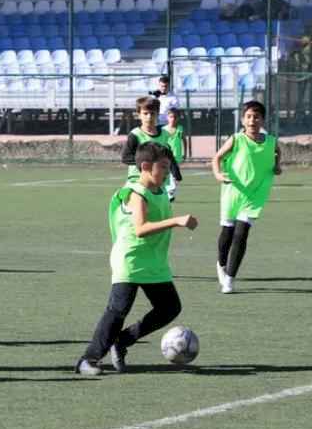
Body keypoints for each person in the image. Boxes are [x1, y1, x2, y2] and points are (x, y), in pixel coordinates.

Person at [76, 142, 198, 375]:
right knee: (117, 310)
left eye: (168, 167)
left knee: (169, 308)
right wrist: (177, 221)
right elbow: (141, 228)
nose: (167, 172)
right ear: (145, 167)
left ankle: (122, 341)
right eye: (163, 167)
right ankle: (88, 360)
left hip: (153, 261)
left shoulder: (159, 190)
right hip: (130, 259)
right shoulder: (136, 193)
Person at [211, 100, 282, 294]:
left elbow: (277, 152)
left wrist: (277, 165)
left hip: (255, 195)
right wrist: (218, 174)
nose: (252, 121)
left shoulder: (271, 141)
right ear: (243, 120)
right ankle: (221, 263)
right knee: (227, 233)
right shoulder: (236, 139)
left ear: (263, 120)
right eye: (249, 117)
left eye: (256, 117)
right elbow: (217, 158)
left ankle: (230, 279)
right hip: (233, 192)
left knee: (241, 234)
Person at [121, 97, 182, 186]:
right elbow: (126, 157)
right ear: (139, 115)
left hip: (160, 182)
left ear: (158, 114)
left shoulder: (165, 134)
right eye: (145, 113)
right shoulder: (135, 135)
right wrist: (149, 163)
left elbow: (168, 156)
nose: (149, 117)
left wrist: (176, 172)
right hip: (138, 181)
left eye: (152, 113)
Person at [162, 107, 185, 201]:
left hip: (177, 155)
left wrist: (185, 152)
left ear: (178, 118)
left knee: (174, 175)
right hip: (166, 156)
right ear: (167, 117)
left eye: (175, 117)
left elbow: (184, 140)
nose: (173, 119)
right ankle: (170, 192)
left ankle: (170, 192)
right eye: (171, 117)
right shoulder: (163, 129)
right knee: (169, 174)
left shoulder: (180, 128)